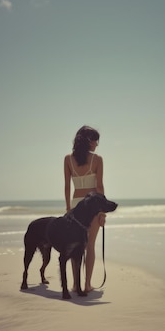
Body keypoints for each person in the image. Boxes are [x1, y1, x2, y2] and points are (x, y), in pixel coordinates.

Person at [64, 125, 106, 292]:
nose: (97, 144)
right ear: (89, 141)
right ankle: (87, 284)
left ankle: (75, 285)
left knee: (76, 245)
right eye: (96, 140)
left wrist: (68, 209)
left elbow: (67, 187)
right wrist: (102, 212)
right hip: (92, 206)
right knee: (90, 246)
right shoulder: (98, 160)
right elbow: (100, 187)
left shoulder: (68, 159)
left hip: (76, 206)